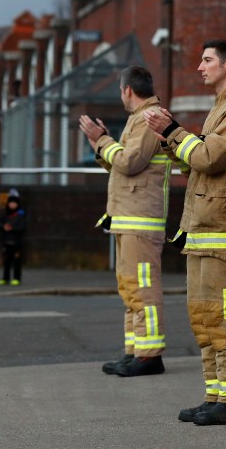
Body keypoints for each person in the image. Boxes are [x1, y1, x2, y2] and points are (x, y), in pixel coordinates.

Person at [144, 39, 226, 425]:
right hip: (204, 228)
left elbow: (211, 158)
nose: (200, 66)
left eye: (207, 60)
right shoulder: (220, 107)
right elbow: (198, 163)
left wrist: (175, 131)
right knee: (205, 315)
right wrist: (170, 141)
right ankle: (218, 393)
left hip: (224, 230)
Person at [79, 65, 172, 377]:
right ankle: (135, 351)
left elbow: (130, 162)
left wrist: (101, 140)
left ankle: (149, 355)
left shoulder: (149, 118)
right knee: (130, 287)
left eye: (120, 91)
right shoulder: (138, 118)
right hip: (128, 219)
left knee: (143, 287)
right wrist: (102, 142)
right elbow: (122, 164)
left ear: (127, 90)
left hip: (140, 221)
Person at [0, 188, 27, 286]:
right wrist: (3, 227)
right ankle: (5, 278)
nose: (12, 205)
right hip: (6, 241)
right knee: (6, 261)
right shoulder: (5, 214)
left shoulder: (21, 215)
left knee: (16, 261)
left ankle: (16, 278)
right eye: (11, 203)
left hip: (16, 242)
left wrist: (12, 228)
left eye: (14, 203)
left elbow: (22, 227)